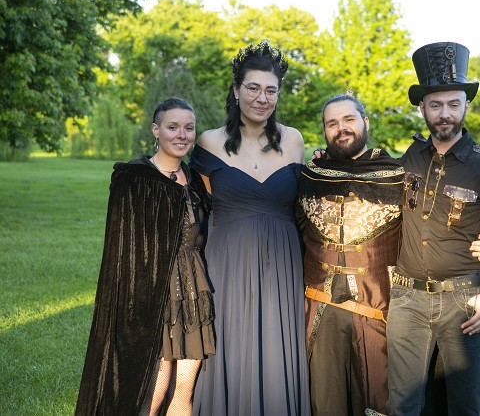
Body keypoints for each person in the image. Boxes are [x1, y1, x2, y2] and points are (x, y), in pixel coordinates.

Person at [297, 93, 480, 416]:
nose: (341, 128)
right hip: (319, 309)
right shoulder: (310, 175)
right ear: (324, 131)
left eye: (349, 120)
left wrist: (479, 240)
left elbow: (433, 222)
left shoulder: (398, 174)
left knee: (385, 400)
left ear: (365, 122)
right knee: (325, 399)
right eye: (332, 123)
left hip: (380, 310)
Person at [386, 42, 480, 416]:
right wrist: (325, 158)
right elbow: (369, 177)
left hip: (463, 302)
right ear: (422, 109)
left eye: (453, 104)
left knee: (462, 405)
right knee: (402, 404)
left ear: (466, 106)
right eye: (436, 105)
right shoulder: (410, 158)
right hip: (407, 300)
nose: (444, 114)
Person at [190, 40, 311, 415]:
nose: (262, 98)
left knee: (277, 351)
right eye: (253, 88)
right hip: (226, 263)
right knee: (231, 344)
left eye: (271, 90)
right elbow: (198, 208)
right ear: (236, 90)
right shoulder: (209, 142)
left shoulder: (294, 140)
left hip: (282, 267)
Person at [75, 97, 215, 415]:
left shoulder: (197, 182)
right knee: (155, 389)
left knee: (184, 389)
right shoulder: (135, 179)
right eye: (173, 127)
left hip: (194, 292)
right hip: (154, 295)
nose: (182, 135)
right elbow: (122, 249)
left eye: (189, 128)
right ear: (156, 130)